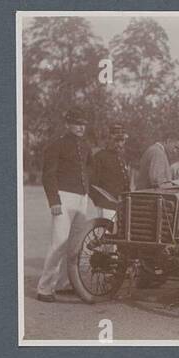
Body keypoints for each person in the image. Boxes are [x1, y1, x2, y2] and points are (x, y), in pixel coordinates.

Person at [35, 109, 92, 302]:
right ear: (67, 124)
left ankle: (65, 283)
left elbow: (88, 171)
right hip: (63, 197)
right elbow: (48, 175)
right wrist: (54, 201)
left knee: (74, 245)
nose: (81, 127)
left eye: (83, 124)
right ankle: (44, 288)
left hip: (81, 198)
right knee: (58, 243)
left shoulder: (85, 147)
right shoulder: (56, 145)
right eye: (76, 123)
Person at [90, 123, 130, 205]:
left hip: (120, 203)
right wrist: (99, 201)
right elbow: (93, 183)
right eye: (116, 141)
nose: (119, 144)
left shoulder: (122, 158)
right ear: (109, 140)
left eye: (122, 141)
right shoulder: (100, 156)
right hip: (105, 203)